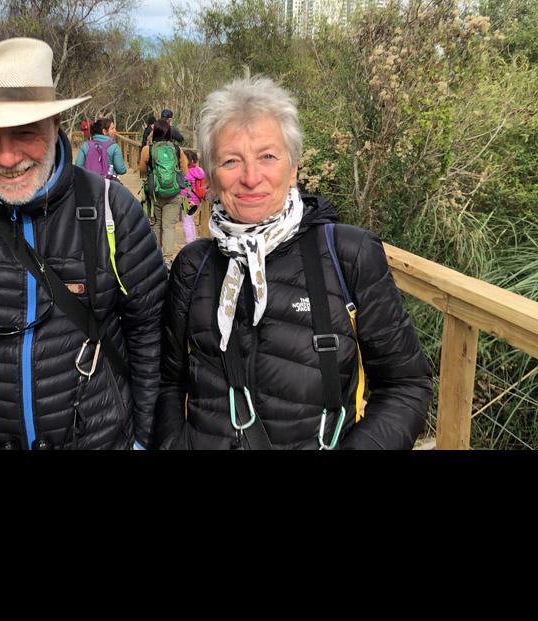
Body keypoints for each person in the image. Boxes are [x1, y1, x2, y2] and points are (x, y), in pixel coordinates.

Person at [0, 37, 167, 450]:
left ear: (56, 124)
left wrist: (142, 440)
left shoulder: (112, 211)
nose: (6, 158)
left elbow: (149, 330)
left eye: (25, 133)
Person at [155, 76, 432, 450]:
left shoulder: (347, 255)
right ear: (212, 177)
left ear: (294, 167)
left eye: (267, 156)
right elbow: (170, 382)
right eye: (231, 161)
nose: (251, 178)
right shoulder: (193, 267)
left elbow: (406, 386)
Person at [139, 119, 188, 269]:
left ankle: (156, 257)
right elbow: (185, 170)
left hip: (155, 194)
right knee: (169, 227)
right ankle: (167, 259)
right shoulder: (177, 149)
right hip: (173, 194)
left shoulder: (148, 149)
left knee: (156, 225)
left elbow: (142, 170)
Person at [74, 116, 127, 181]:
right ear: (104, 131)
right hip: (108, 183)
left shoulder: (85, 145)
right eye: (112, 128)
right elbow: (121, 170)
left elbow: (78, 166)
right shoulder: (114, 147)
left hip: (89, 183)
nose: (115, 130)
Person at [180, 149, 207, 244]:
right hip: (196, 200)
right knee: (190, 220)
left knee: (186, 222)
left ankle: (189, 242)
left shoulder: (187, 172)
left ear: (189, 160)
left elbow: (183, 189)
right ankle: (193, 240)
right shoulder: (199, 170)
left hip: (187, 200)